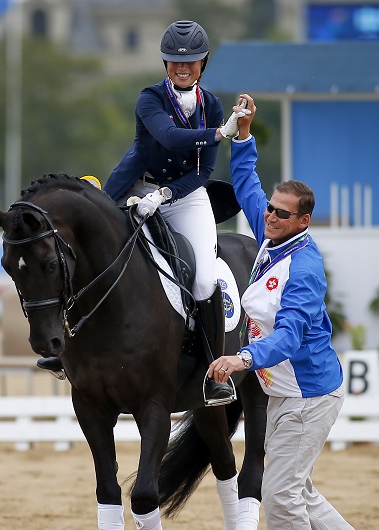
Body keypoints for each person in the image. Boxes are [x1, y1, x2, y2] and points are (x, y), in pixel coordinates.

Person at [209, 94, 379, 530]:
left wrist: (241, 359)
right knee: (296, 487)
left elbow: (289, 337)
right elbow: (246, 184)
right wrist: (243, 135)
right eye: (269, 207)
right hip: (283, 391)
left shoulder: (305, 270)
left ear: (304, 221)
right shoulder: (273, 236)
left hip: (308, 395)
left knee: (280, 491)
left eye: (281, 212)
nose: (267, 215)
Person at [36, 20, 249, 406]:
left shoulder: (213, 105)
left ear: (203, 63)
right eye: (173, 62)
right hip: (134, 187)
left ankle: (213, 373)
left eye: (190, 63)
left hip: (185, 195)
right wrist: (219, 133)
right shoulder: (149, 98)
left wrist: (167, 194)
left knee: (203, 280)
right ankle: (65, 349)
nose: (182, 69)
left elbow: (203, 171)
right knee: (87, 257)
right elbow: (167, 137)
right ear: (165, 63)